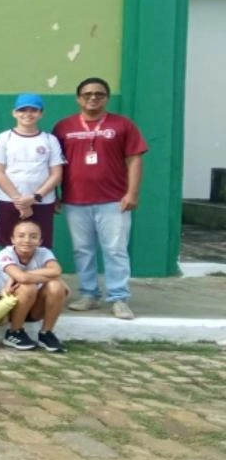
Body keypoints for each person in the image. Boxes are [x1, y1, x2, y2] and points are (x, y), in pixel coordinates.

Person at [53, 77, 148, 320]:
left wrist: (132, 193)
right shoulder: (63, 127)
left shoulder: (123, 125)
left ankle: (118, 298)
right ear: (78, 98)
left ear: (106, 98)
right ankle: (89, 295)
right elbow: (54, 164)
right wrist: (55, 195)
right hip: (75, 200)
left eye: (99, 94)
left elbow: (135, 159)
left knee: (115, 249)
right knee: (82, 250)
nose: (93, 98)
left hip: (114, 201)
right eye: (87, 94)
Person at [0, 93, 64, 248]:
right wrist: (21, 202)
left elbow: (56, 174)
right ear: (14, 113)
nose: (28, 114)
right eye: (23, 110)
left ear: (41, 114)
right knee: (9, 245)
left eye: (33, 110)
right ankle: (9, 273)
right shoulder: (4, 138)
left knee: (40, 247)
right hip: (9, 201)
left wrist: (35, 198)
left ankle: (37, 273)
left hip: (42, 202)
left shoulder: (50, 140)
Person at [0, 220, 69, 353]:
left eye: (33, 236)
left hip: (34, 306)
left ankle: (46, 333)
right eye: (21, 236)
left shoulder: (44, 252)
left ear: (40, 241)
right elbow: (22, 278)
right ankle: (14, 332)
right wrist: (50, 277)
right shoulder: (4, 254)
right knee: (29, 286)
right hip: (7, 305)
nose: (27, 240)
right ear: (12, 239)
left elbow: (56, 270)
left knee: (56, 286)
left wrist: (54, 278)